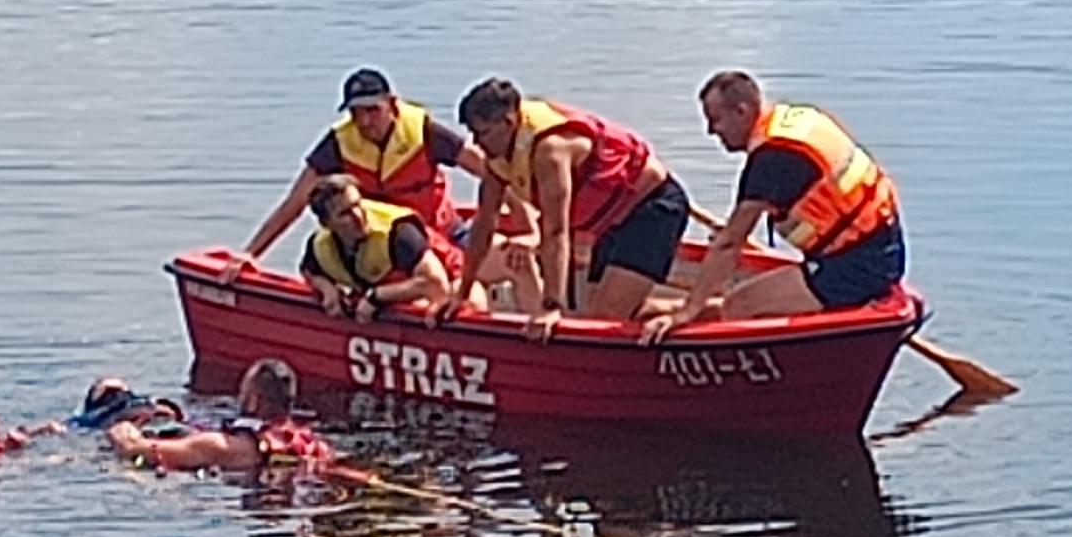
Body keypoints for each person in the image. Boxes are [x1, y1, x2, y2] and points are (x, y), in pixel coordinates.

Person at [645, 70, 906, 334]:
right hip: (884, 247)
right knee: (743, 295)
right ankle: (678, 307)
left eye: (716, 120)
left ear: (742, 111)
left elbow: (729, 244)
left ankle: (679, 311)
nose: (711, 131)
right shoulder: (795, 120)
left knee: (739, 305)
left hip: (856, 267)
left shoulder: (771, 160)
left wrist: (688, 312)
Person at [454, 77, 691, 326]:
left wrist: (551, 306)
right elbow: (484, 224)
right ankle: (675, 310)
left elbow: (556, 230)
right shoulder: (496, 158)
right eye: (472, 133)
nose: (476, 143)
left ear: (508, 122)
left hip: (651, 209)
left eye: (482, 133)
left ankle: (698, 309)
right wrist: (462, 294)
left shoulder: (550, 151)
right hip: (611, 224)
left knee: (605, 317)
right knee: (600, 313)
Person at [243, 68, 474, 264]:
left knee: (486, 253)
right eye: (356, 112)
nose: (364, 121)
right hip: (387, 248)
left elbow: (485, 167)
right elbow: (295, 203)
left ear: (392, 104)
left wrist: (497, 207)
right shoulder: (338, 144)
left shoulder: (425, 132)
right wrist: (251, 255)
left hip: (445, 231)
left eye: (373, 110)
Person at [111, 357, 334, 475]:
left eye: (242, 393)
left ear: (254, 400)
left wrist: (123, 428)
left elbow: (133, 449)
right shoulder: (313, 445)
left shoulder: (220, 446)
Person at [299, 172, 466, 318]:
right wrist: (328, 290)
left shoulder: (398, 232)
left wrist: (377, 297)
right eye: (345, 214)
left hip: (456, 276)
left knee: (444, 309)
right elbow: (309, 271)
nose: (358, 216)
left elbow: (436, 285)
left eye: (358, 204)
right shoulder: (320, 245)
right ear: (327, 224)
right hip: (400, 285)